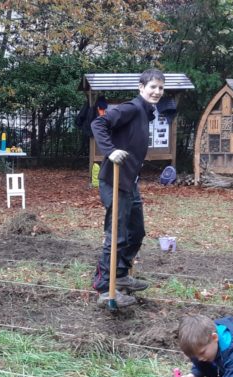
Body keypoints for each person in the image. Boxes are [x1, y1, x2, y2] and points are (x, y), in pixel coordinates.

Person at [89, 69, 164, 308]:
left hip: (129, 181)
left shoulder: (146, 112)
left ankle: (120, 274)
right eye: (152, 86)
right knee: (116, 235)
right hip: (114, 180)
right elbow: (98, 123)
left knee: (136, 232)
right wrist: (110, 151)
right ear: (141, 87)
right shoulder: (132, 108)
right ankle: (103, 287)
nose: (157, 92)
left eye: (161, 88)